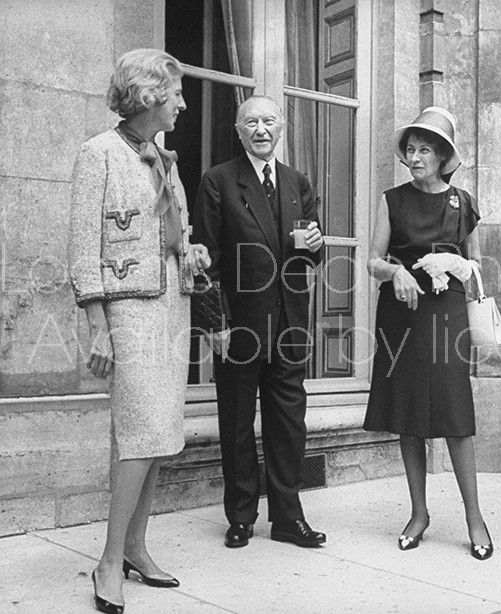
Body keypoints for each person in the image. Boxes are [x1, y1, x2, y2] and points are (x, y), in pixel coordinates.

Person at [68, 48, 210, 614]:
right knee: (139, 431)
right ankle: (108, 562)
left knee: (157, 434)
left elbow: (171, 235)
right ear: (149, 94)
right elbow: (84, 249)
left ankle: (135, 547)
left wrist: (190, 249)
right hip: (127, 314)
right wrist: (97, 327)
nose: (181, 102)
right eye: (175, 93)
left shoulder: (163, 159)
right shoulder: (98, 154)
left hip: (171, 308)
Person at [191, 95, 327, 550]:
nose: (261, 129)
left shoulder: (297, 182)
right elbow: (205, 262)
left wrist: (315, 243)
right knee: (235, 423)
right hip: (240, 327)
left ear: (283, 126)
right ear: (238, 128)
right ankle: (242, 517)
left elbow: (309, 253)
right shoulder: (219, 181)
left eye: (269, 121)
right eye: (252, 122)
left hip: (290, 325)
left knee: (289, 425)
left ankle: (288, 518)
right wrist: (216, 324)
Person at [363, 107, 493, 561]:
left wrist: (458, 264)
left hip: (448, 314)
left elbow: (479, 272)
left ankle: (475, 518)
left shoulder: (463, 202)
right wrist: (395, 271)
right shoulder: (392, 200)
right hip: (402, 315)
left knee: (455, 416)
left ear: (443, 157)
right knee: (408, 414)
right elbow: (372, 260)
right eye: (411, 150)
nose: (415, 158)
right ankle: (419, 514)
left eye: (425, 150)